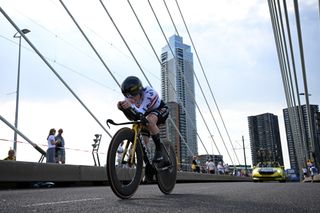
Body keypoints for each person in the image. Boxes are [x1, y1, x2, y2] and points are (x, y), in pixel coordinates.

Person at [117, 76, 169, 163]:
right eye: (127, 96)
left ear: (140, 92)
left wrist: (128, 107)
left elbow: (140, 113)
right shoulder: (129, 98)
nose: (131, 99)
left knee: (150, 121)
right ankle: (148, 165)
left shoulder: (149, 94)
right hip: (145, 113)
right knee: (143, 141)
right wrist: (123, 109)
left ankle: (159, 149)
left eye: (133, 96)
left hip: (160, 109)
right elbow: (132, 117)